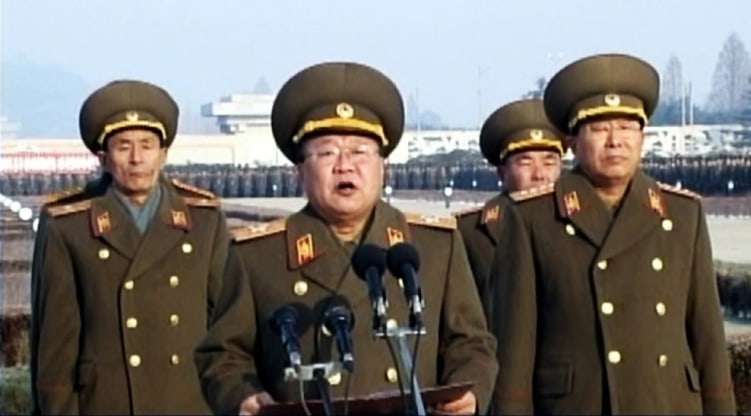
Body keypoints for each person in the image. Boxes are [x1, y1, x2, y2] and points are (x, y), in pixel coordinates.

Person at [194, 61, 498, 416]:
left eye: (359, 152)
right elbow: (223, 354)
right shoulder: (258, 256)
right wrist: (243, 397)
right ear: (299, 171)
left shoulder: (432, 246)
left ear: (383, 165)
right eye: (327, 153)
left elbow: (472, 343)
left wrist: (469, 392)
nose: (345, 166)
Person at [490, 53, 737, 415]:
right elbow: (514, 351)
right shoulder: (533, 219)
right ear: (573, 141)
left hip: (665, 403)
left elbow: (708, 340)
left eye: (625, 127)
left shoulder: (682, 215)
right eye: (600, 128)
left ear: (642, 137)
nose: (615, 141)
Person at [30, 79, 230, 415]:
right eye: (124, 147)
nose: (137, 159)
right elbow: (55, 347)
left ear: (164, 154)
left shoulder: (203, 220)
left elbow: (227, 331)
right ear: (103, 157)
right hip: (108, 403)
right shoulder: (69, 226)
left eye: (147, 145)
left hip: (189, 402)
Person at [454, 98, 564, 325]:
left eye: (549, 162)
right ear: (502, 172)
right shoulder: (470, 234)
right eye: (526, 163)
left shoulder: (577, 227)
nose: (540, 174)